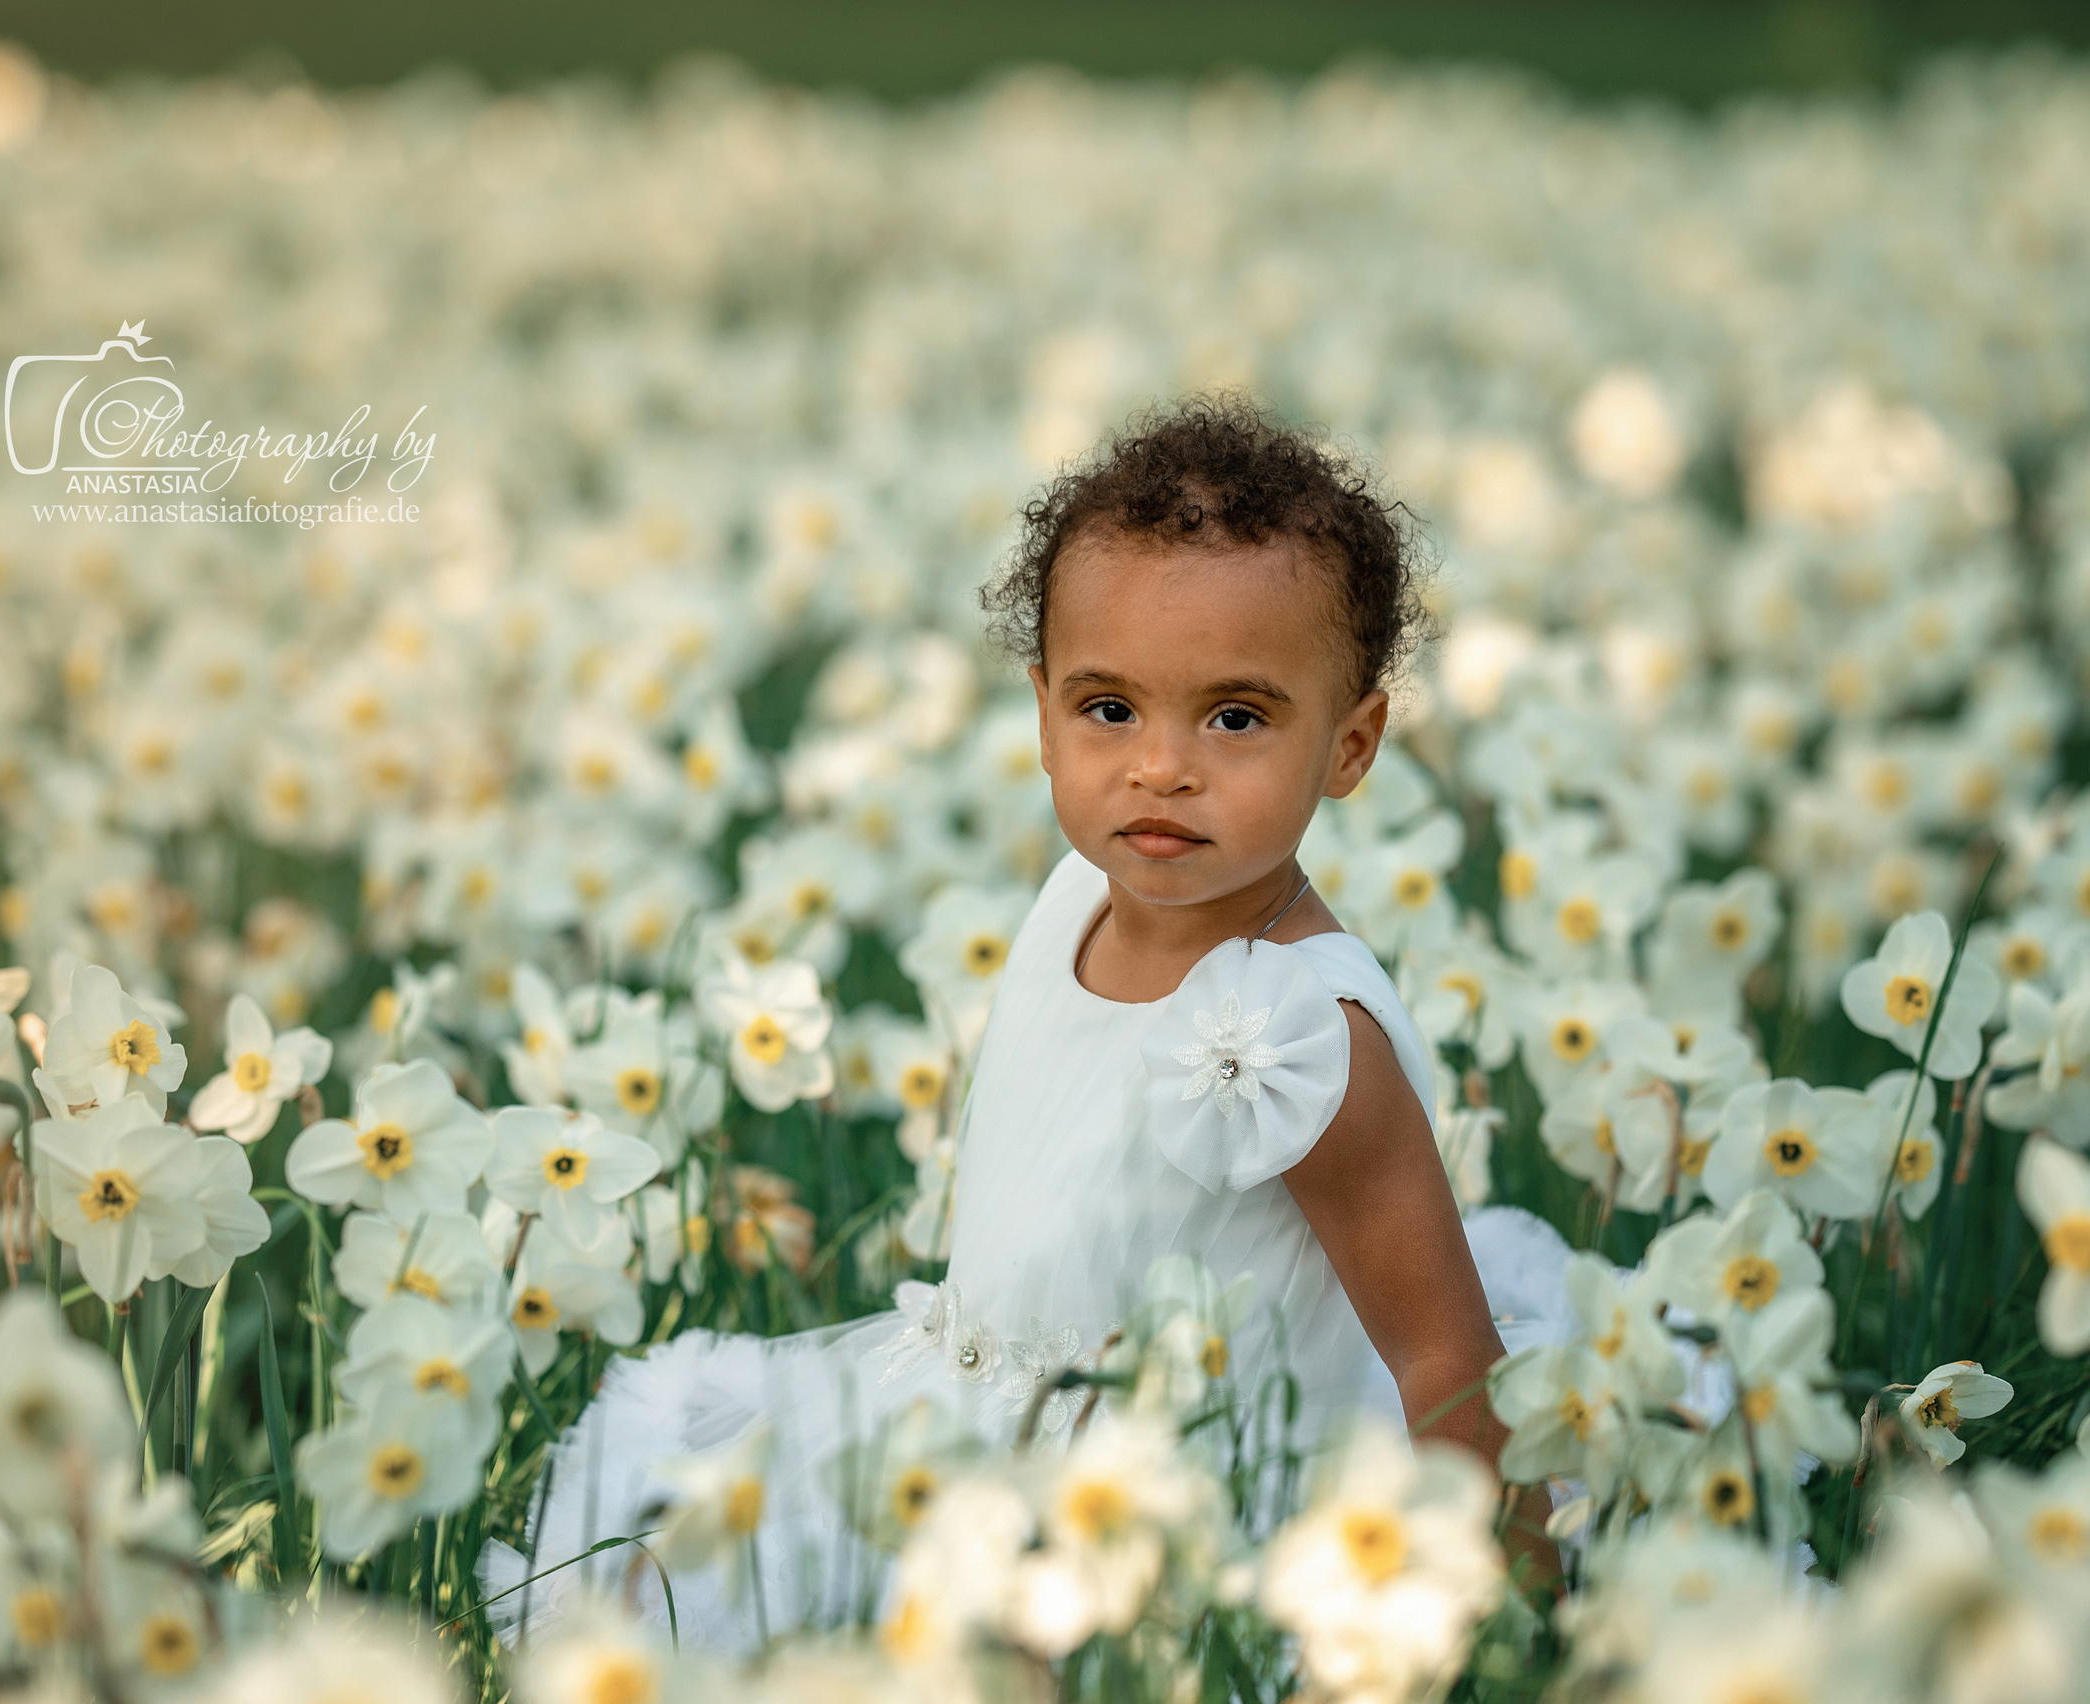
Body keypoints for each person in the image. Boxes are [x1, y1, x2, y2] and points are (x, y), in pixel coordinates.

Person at [484, 393, 1568, 1648]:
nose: (1160, 766)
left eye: (1235, 717)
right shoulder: (1072, 902)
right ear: (1044, 713)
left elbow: (1443, 1357)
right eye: (1110, 709)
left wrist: (1526, 1629)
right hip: (966, 1417)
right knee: (666, 1588)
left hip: (1161, 1512)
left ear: (1350, 744)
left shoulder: (1300, 1034)